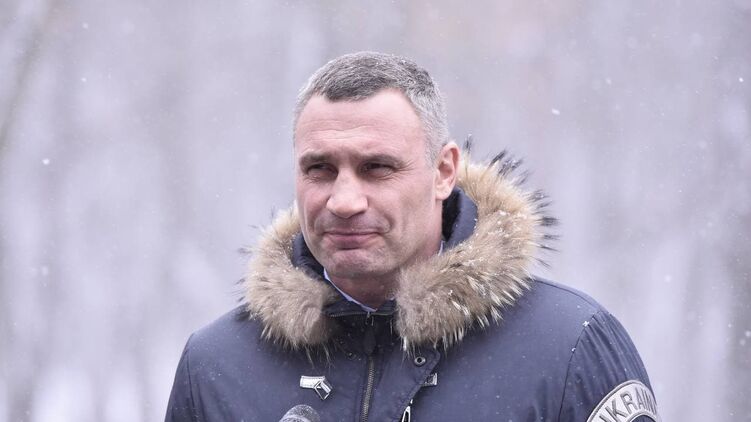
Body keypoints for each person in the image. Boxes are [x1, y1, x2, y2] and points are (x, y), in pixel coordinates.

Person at [166, 52, 659, 422]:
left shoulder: (568, 348)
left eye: (377, 168)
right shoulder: (216, 367)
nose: (344, 200)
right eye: (319, 169)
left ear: (444, 172)